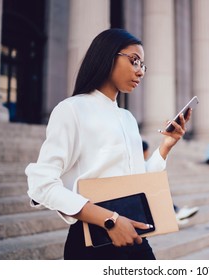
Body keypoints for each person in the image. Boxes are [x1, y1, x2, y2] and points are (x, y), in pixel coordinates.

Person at [25, 29, 191, 260]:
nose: (140, 71)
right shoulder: (72, 109)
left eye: (143, 65)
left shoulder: (127, 118)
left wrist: (166, 145)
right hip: (93, 242)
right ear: (108, 56)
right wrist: (110, 220)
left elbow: (136, 182)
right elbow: (40, 185)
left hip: (134, 236)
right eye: (134, 61)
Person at [142, 140, 198, 225]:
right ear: (145, 152)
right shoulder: (141, 164)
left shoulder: (141, 163)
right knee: (158, 189)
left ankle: (176, 214)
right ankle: (176, 214)